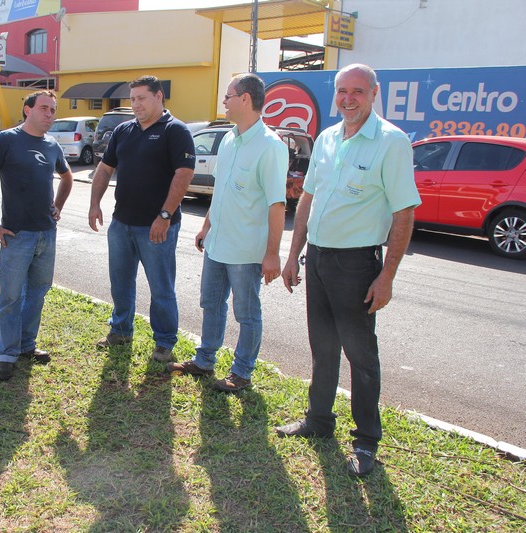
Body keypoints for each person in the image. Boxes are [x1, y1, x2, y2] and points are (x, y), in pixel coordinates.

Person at [276, 64, 421, 477]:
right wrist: (293, 254)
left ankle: (366, 441)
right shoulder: (326, 138)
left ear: (374, 93)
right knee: (322, 347)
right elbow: (307, 200)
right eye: (342, 91)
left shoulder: (391, 143)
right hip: (318, 259)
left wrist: (386, 276)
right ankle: (319, 421)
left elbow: (403, 214)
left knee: (361, 355)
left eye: (357, 91)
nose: (348, 98)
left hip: (357, 264)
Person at [166, 73, 287, 392]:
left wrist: (273, 253)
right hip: (218, 243)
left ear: (245, 99)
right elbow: (220, 191)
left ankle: (242, 373)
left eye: (228, 96)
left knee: (246, 314)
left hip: (246, 251)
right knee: (210, 303)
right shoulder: (231, 139)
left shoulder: (270, 147)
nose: (224, 102)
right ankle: (205, 361)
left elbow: (277, 204)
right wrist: (206, 226)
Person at [88, 75, 195, 362]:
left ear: (159, 97)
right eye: (132, 99)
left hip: (157, 227)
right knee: (120, 282)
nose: (136, 104)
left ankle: (164, 343)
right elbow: (104, 168)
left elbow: (183, 174)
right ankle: (121, 331)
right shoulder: (123, 131)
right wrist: (94, 203)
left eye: (141, 98)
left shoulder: (176, 131)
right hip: (121, 223)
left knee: (161, 286)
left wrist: (164, 215)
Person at [0, 90, 73, 381]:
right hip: (16, 235)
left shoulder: (52, 144)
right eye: (44, 108)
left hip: (47, 234)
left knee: (37, 293)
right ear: (27, 109)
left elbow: (67, 177)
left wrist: (57, 206)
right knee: (10, 297)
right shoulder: (6, 140)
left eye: (53, 110)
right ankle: (6, 355)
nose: (49, 114)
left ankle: (27, 345)